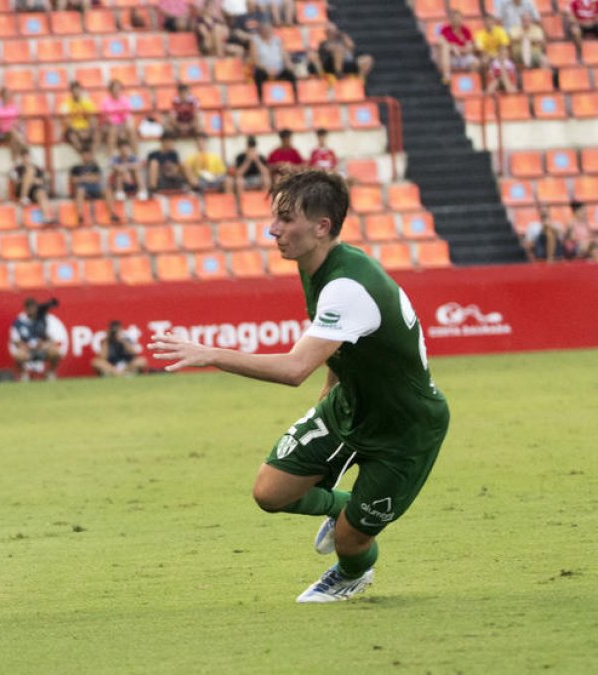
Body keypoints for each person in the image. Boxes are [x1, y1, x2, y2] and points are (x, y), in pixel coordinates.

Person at [149, 169, 450, 603]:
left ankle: (351, 573)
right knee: (270, 493)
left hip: (406, 427)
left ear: (321, 226)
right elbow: (341, 347)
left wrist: (210, 353)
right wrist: (329, 400)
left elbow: (294, 368)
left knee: (351, 543)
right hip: (350, 404)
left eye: (285, 219)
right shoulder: (319, 265)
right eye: (275, 217)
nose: (273, 230)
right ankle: (346, 506)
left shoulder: (348, 285)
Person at [9, 297, 65, 382]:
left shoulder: (41, 321)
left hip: (42, 349)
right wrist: (28, 346)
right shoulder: (19, 323)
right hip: (28, 350)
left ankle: (50, 373)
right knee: (19, 355)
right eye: (29, 308)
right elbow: (16, 341)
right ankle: (24, 375)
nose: (32, 310)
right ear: (26, 309)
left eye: (34, 307)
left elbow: (50, 338)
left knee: (56, 352)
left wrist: (44, 344)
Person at [308, 23, 375, 84]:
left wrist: (343, 36)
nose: (333, 32)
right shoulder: (324, 42)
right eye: (330, 31)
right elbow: (327, 50)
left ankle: (360, 82)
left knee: (367, 59)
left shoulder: (342, 39)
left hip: (347, 63)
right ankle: (338, 74)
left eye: (334, 30)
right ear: (327, 32)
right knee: (339, 49)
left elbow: (351, 46)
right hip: (331, 65)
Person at [70, 146, 121, 225]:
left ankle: (113, 213)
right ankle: (80, 216)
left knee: (107, 190)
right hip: (83, 189)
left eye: (88, 155)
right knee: (80, 190)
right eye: (84, 155)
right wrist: (89, 178)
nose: (86, 157)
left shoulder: (95, 167)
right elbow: (73, 180)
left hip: (95, 188)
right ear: (81, 156)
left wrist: (82, 178)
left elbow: (97, 179)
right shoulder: (75, 168)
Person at [249, 21, 298, 99]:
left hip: (278, 68)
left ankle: (295, 97)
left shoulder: (277, 40)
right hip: (263, 68)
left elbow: (284, 55)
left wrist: (289, 64)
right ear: (261, 31)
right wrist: (267, 69)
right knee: (258, 74)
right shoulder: (255, 41)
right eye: (265, 30)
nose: (267, 31)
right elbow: (255, 60)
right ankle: (260, 99)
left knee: (290, 73)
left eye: (269, 29)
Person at [9, 148, 58, 223]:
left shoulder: (37, 168)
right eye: (24, 157)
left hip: (34, 191)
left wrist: (31, 180)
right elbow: (16, 182)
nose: (26, 159)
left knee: (41, 193)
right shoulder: (17, 169)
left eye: (28, 157)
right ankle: (23, 197)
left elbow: (41, 181)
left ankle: (46, 216)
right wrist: (28, 179)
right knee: (29, 174)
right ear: (21, 158)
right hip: (21, 190)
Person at [437, 10, 479, 83]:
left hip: (463, 55)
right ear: (451, 19)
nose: (456, 20)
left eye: (458, 18)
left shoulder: (466, 30)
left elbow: (468, 48)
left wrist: (458, 49)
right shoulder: (445, 29)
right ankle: (447, 76)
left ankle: (471, 83)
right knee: (445, 47)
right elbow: (441, 42)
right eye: (454, 18)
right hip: (451, 56)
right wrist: (452, 46)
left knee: (476, 63)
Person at [99, 79, 136, 155]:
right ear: (110, 90)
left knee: (131, 129)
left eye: (118, 89)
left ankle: (135, 155)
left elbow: (127, 115)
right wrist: (114, 124)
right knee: (113, 130)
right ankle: (110, 156)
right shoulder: (105, 101)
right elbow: (106, 116)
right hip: (110, 125)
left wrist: (122, 126)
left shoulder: (125, 100)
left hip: (123, 125)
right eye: (114, 89)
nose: (116, 91)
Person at [60, 81, 98, 154]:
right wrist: (78, 132)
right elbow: (67, 121)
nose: (76, 92)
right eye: (74, 90)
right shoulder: (66, 104)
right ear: (71, 91)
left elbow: (92, 117)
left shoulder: (87, 102)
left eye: (78, 90)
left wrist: (88, 130)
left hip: (86, 128)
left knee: (97, 134)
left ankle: (91, 156)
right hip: (74, 130)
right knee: (72, 136)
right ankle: (83, 155)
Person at [0, 87, 27, 157]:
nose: (6, 97)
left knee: (13, 139)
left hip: (13, 132)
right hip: (1, 134)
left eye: (7, 95)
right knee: (13, 132)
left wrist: (16, 123)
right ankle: (25, 148)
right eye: (4, 96)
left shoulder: (14, 107)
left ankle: (15, 164)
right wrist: (8, 126)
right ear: (1, 97)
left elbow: (19, 120)